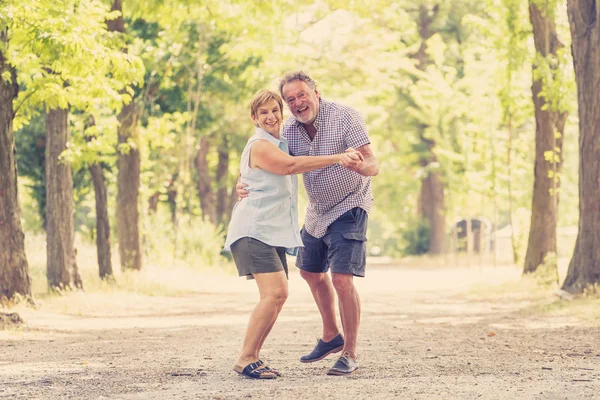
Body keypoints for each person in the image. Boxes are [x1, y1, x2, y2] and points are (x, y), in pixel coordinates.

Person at [238, 71, 378, 376]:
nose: (297, 102)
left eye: (302, 94)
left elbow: (373, 164)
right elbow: (271, 160)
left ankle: (350, 353)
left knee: (342, 278)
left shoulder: (345, 117)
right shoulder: (288, 130)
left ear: (316, 92)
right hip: (317, 211)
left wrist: (359, 166)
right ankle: (331, 336)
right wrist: (241, 181)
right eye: (290, 100)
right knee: (310, 272)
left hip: (350, 204)